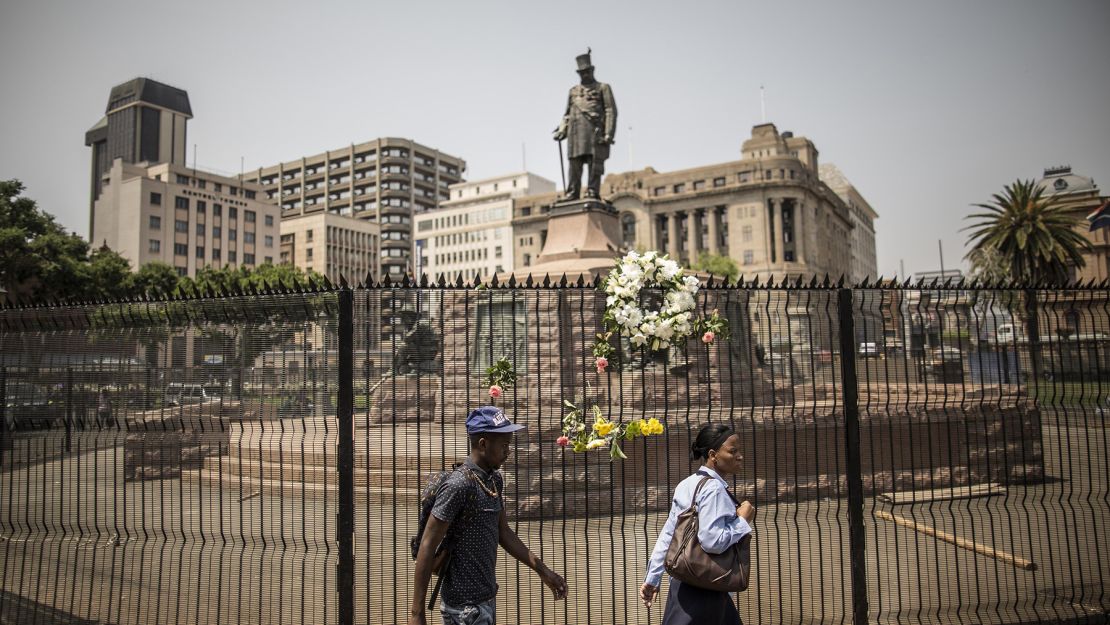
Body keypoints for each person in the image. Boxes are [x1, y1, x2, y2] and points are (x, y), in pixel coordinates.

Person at [409, 406, 567, 625]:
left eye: (509, 445)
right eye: (504, 445)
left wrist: (543, 570)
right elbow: (427, 544)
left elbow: (503, 532)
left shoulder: (493, 480)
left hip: (486, 601)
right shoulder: (459, 485)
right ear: (483, 444)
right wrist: (417, 613)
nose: (508, 451)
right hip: (463, 609)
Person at [640, 423, 756, 625]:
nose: (740, 456)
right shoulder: (714, 489)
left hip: (683, 585)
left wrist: (653, 577)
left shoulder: (687, 484)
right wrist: (742, 521)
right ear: (713, 455)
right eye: (733, 451)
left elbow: (669, 535)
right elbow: (712, 540)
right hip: (707, 589)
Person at [553, 49, 617, 201]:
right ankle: (572, 193)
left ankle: (592, 191)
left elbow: (610, 110)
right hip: (575, 133)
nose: (584, 74)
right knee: (574, 164)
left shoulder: (603, 88)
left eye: (587, 71)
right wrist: (562, 130)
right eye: (581, 72)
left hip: (594, 132)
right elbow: (567, 113)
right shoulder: (573, 91)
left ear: (592, 70)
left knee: (594, 163)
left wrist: (608, 133)